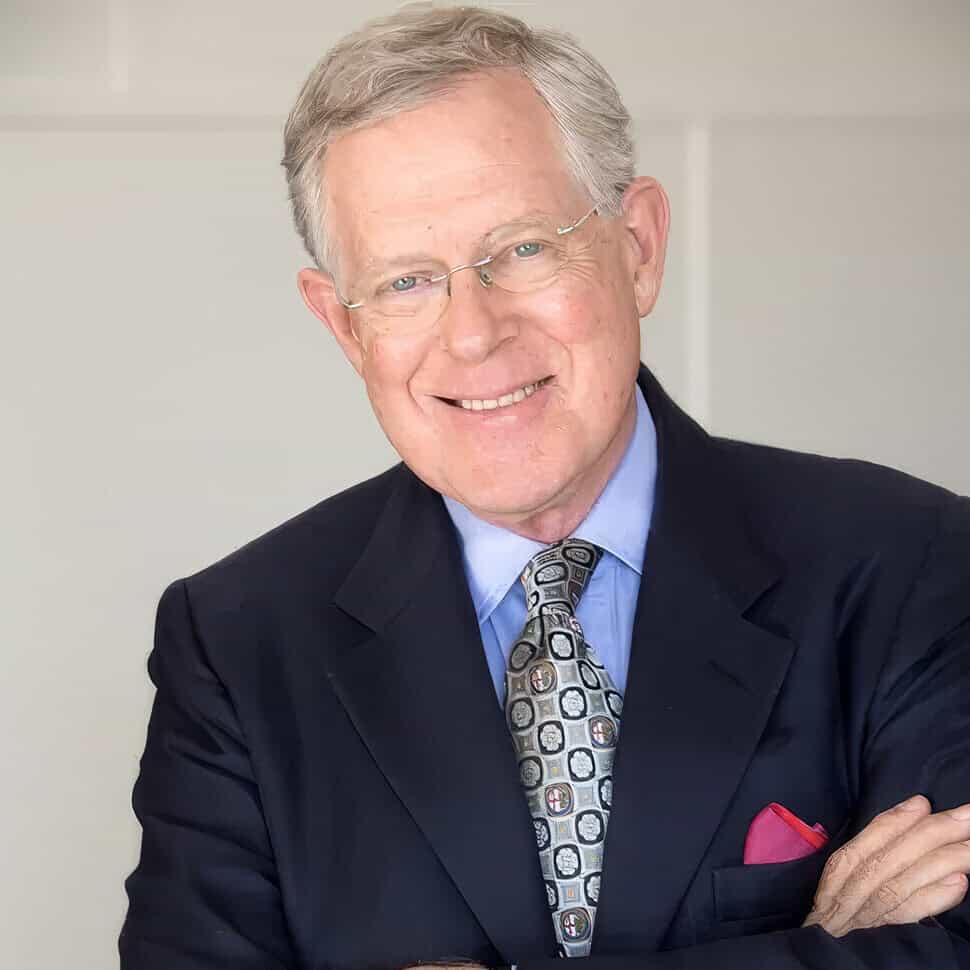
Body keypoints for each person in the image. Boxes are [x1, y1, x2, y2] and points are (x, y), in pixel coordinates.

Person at [119, 5, 970, 969]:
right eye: (405, 282)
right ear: (343, 325)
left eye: (522, 249)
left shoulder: (913, 565)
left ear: (638, 246)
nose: (473, 333)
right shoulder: (236, 645)